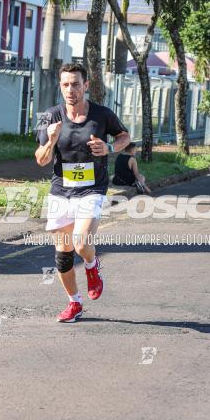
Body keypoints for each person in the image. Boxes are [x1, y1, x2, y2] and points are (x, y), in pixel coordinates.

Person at [35, 63, 131, 323]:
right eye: (65, 84)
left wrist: (109, 147)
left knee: (80, 242)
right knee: (63, 255)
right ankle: (74, 303)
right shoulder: (49, 117)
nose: (70, 89)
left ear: (86, 85)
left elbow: (124, 136)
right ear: (60, 86)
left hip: (92, 188)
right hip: (61, 190)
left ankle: (92, 266)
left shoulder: (101, 114)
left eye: (75, 84)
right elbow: (41, 160)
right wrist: (52, 140)